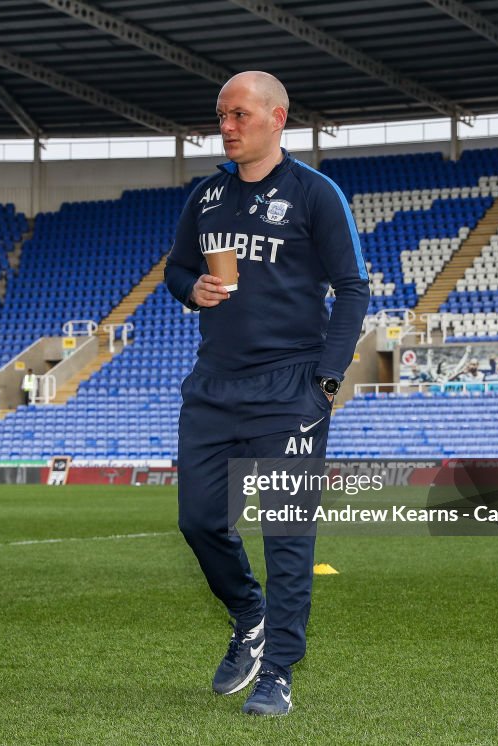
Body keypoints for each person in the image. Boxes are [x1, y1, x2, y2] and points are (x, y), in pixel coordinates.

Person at [164, 71, 369, 717]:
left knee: (287, 534)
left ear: (278, 117)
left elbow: (353, 290)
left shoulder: (315, 194)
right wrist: (189, 288)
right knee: (198, 521)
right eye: (221, 116)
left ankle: (278, 670)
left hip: (290, 388)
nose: (227, 127)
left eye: (239, 115)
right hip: (214, 386)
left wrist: (326, 383)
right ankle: (247, 613)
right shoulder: (206, 196)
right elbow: (176, 269)